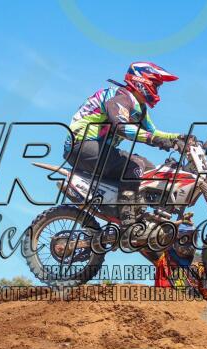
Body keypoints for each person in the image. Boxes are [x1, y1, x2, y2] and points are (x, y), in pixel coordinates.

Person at [64, 62, 190, 226]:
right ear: (142, 81)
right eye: (155, 85)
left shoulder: (139, 107)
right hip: (81, 146)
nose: (157, 90)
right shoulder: (121, 97)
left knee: (149, 168)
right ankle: (127, 217)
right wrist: (155, 140)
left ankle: (149, 216)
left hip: (100, 149)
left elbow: (153, 132)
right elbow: (121, 126)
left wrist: (181, 138)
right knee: (134, 166)